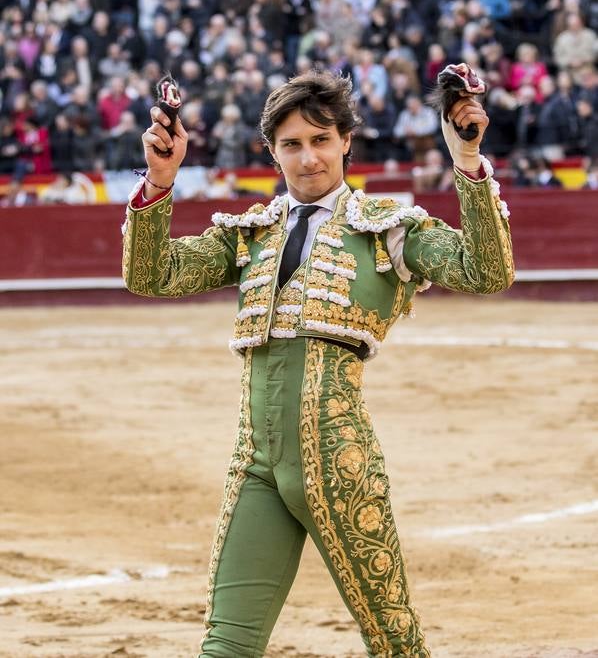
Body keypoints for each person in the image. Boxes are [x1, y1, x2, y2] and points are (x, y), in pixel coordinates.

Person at [122, 71, 514, 658]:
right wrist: (160, 180)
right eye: (292, 145)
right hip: (255, 464)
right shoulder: (252, 234)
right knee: (226, 644)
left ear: (347, 141)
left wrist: (467, 158)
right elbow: (151, 275)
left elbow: (487, 270)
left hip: (339, 462)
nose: (308, 159)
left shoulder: (389, 229)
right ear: (272, 151)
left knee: (394, 642)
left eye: (321, 140)